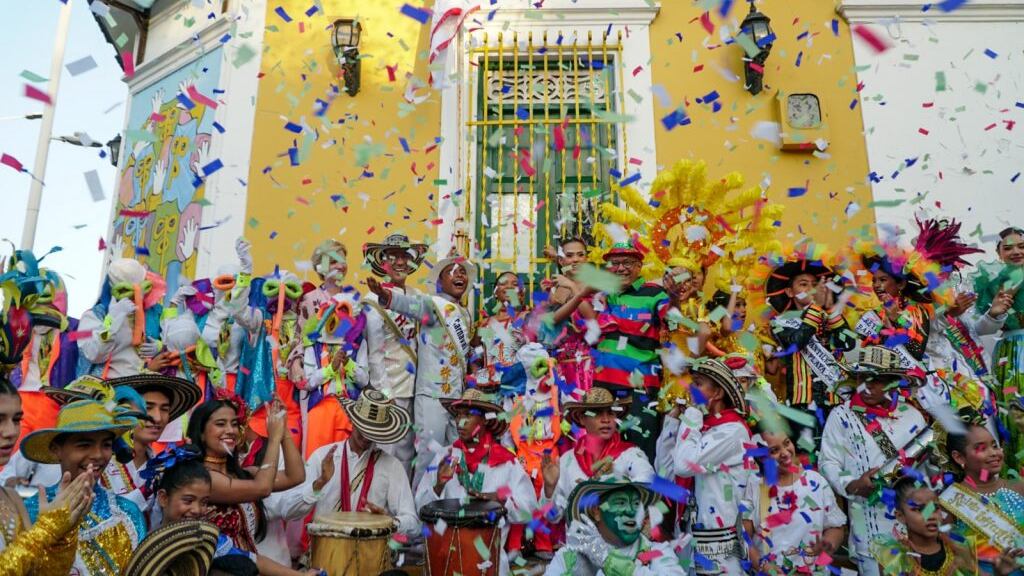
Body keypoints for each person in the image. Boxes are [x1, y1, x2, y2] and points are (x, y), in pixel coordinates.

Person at [366, 253, 477, 486]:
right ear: (440, 281)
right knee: (428, 458)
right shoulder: (433, 304)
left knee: (453, 457)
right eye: (452, 272)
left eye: (462, 272)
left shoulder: (464, 313)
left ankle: (444, 504)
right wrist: (385, 296)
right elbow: (410, 305)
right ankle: (417, 504)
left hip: (456, 399)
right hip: (432, 396)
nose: (459, 276)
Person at [819, 346, 929, 576]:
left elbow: (927, 471)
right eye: (861, 378)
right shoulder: (841, 415)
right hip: (869, 532)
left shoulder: (913, 416)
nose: (866, 386)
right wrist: (853, 484)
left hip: (914, 530)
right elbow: (828, 462)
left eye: (876, 380)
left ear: (893, 383)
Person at [142, 445, 320, 575]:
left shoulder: (208, 539)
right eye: (188, 500)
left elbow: (251, 558)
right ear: (163, 498)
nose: (196, 510)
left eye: (204, 502)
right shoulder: (142, 541)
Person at [20, 395, 148, 575]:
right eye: (84, 445)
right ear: (56, 449)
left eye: (106, 445)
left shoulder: (127, 514)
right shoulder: (30, 512)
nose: (98, 455)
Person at [416, 388, 538, 574]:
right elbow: (420, 508)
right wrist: (438, 486)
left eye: (468, 415)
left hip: (492, 566)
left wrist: (501, 500)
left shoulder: (507, 463)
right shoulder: (444, 457)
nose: (460, 422)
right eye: (458, 415)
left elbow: (530, 511)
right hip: (445, 562)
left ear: (485, 420)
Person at [277, 389, 419, 536]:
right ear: (352, 420)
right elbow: (287, 511)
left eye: (372, 431)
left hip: (370, 549)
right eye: (363, 427)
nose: (366, 436)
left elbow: (413, 523)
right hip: (328, 548)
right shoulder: (322, 457)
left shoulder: (391, 466)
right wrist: (319, 484)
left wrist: (388, 522)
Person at [662, 356, 754, 574]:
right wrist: (673, 421)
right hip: (689, 537)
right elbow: (665, 469)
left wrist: (692, 415)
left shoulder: (733, 431)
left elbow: (684, 466)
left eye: (698, 384)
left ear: (717, 393)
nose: (690, 389)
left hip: (718, 546)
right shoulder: (702, 428)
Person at [185, 392, 305, 554]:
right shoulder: (201, 478)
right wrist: (274, 438)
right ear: (201, 434)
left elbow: (295, 476)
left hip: (248, 562)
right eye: (220, 424)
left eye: (234, 424)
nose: (230, 430)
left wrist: (284, 431)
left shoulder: (243, 475)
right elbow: (263, 488)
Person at [0, 375, 95, 574]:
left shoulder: (11, 500)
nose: (10, 432)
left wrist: (63, 535)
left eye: (16, 420)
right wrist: (46, 530)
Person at [761, 247, 855, 445]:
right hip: (802, 403)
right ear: (789, 292)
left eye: (814, 284)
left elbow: (848, 343)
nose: (811, 289)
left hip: (836, 400)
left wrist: (830, 308)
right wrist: (817, 307)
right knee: (810, 455)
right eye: (803, 284)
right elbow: (797, 342)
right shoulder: (780, 322)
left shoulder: (829, 316)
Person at [591, 242, 672, 460]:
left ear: (639, 266)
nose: (620, 268)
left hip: (639, 387)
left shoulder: (655, 293)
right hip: (604, 387)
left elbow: (673, 320)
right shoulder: (603, 295)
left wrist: (676, 298)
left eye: (627, 263)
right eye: (614, 263)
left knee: (640, 449)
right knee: (604, 453)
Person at [356, 233, 427, 478]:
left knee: (408, 455)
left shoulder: (417, 296)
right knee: (385, 453)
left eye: (404, 256)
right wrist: (385, 394)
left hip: (416, 389)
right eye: (393, 256)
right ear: (382, 261)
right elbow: (374, 353)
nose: (400, 262)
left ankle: (402, 499)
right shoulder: (372, 300)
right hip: (389, 391)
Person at [541, 387, 654, 521]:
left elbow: (649, 484)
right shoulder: (568, 460)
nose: (606, 419)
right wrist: (549, 489)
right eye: (598, 413)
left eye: (610, 413)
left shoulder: (631, 455)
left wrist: (614, 488)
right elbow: (552, 517)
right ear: (582, 418)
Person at [742, 429, 846, 574]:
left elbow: (836, 527)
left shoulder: (815, 481)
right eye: (775, 450)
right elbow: (743, 538)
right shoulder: (754, 486)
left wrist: (828, 545)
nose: (785, 453)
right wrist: (764, 566)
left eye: (787, 443)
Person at [543, 477, 688, 576]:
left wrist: (608, 560)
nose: (631, 511)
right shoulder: (569, 556)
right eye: (620, 503)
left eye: (636, 504)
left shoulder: (658, 552)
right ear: (596, 512)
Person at [9, 263, 79, 446]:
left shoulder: (73, 328)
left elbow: (96, 346)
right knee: (12, 453)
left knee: (45, 452)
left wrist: (107, 331)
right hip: (19, 397)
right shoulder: (19, 328)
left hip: (54, 399)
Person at [943, 421, 1024, 575]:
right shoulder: (948, 504)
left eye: (994, 446)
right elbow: (956, 566)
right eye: (981, 448)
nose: (993, 453)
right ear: (959, 457)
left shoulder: (1019, 487)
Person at [974, 226, 1024, 473]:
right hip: (1012, 355)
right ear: (999, 253)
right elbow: (979, 329)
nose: (1016, 252)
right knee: (1015, 418)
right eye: (1008, 248)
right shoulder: (992, 284)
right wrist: (995, 313)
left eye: (1021, 246)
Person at [79, 258, 166, 378]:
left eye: (141, 288)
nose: (137, 295)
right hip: (108, 385)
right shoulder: (94, 316)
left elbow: (177, 345)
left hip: (145, 383)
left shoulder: (155, 313)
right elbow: (94, 354)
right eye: (127, 290)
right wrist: (112, 321)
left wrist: (160, 347)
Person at [873, 476, 978, 575]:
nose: (931, 515)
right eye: (919, 509)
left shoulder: (959, 545)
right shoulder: (894, 557)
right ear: (901, 516)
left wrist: (971, 567)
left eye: (935, 507)